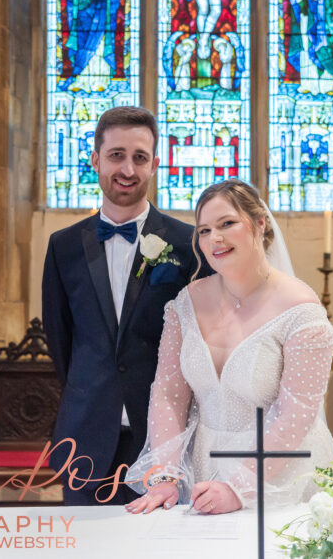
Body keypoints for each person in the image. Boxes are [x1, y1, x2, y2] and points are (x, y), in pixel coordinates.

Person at [124, 179, 333, 515]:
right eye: (205, 230)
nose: (215, 239)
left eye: (227, 224)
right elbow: (169, 393)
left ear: (259, 223)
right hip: (202, 466)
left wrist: (240, 487)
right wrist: (165, 473)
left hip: (281, 473)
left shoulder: (302, 311)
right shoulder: (186, 303)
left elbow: (296, 412)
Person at [42, 106, 206, 505]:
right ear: (96, 159)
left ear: (155, 164)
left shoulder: (187, 245)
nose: (127, 169)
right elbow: (60, 339)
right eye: (116, 155)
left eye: (139, 157)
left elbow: (201, 339)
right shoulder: (63, 246)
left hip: (162, 439)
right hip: (85, 432)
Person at [63, 0, 120, 92]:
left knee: (98, 45)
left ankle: (99, 80)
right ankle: (81, 80)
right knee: (83, 44)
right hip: (83, 17)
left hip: (100, 15)